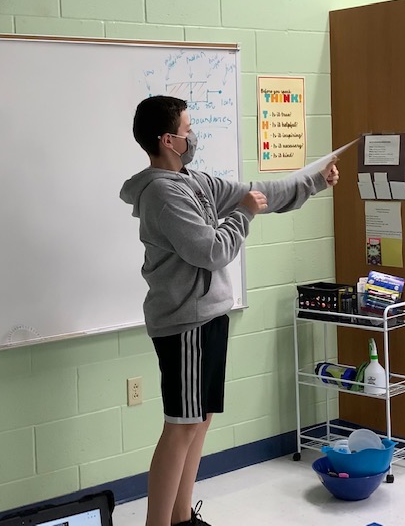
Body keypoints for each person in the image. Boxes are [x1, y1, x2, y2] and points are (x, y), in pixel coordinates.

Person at [120, 95, 339, 526]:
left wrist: (314, 181)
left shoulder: (193, 181)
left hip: (209, 316)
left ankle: (181, 518)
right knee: (181, 425)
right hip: (185, 323)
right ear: (167, 140)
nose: (193, 136)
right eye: (187, 130)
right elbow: (212, 251)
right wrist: (243, 215)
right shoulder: (162, 194)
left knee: (199, 420)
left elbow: (257, 192)